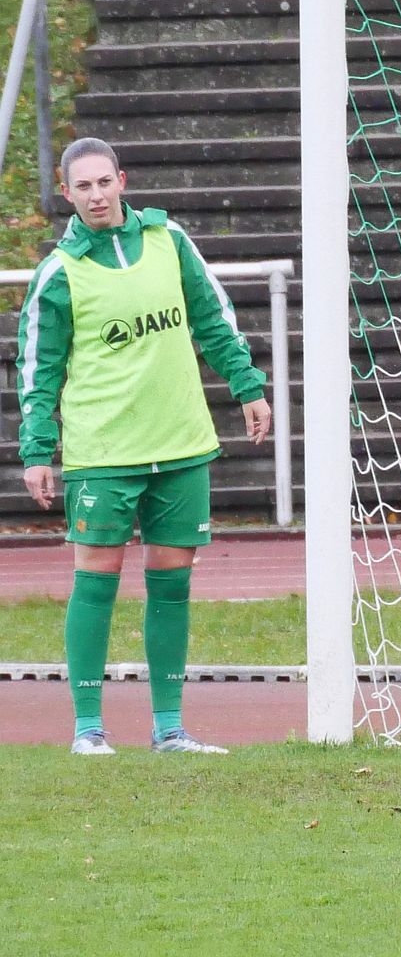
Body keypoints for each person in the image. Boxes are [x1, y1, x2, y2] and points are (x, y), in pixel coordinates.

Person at [18, 137, 271, 756]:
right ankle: (88, 730)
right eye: (83, 186)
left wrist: (248, 387)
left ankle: (170, 729)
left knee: (172, 582)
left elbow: (213, 317)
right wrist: (37, 450)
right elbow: (38, 369)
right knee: (96, 579)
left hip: (180, 442)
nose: (96, 195)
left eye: (104, 182)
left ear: (122, 181)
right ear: (66, 193)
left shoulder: (169, 239)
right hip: (102, 452)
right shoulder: (59, 272)